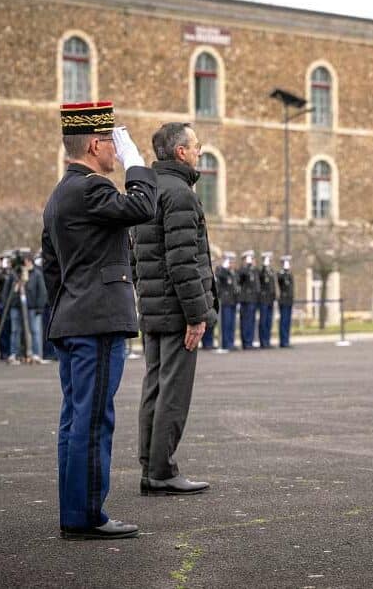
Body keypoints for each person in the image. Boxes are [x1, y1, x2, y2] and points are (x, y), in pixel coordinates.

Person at [41, 101, 156, 540]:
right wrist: (137, 163)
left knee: (76, 418)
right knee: (92, 420)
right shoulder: (91, 188)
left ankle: (77, 510)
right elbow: (143, 207)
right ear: (94, 143)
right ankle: (86, 515)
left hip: (73, 318)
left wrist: (67, 309)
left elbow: (52, 269)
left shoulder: (59, 194)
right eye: (112, 141)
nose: (116, 150)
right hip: (96, 321)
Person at [132, 122, 217, 498]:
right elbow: (185, 262)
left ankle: (150, 465)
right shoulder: (180, 194)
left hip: (153, 304)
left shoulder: (146, 190)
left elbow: (136, 255)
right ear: (180, 152)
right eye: (196, 146)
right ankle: (162, 469)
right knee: (173, 391)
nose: (200, 151)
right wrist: (197, 315)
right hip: (176, 309)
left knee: (154, 386)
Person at [3, 253, 48, 364]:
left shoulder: (37, 274)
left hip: (32, 307)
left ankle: (36, 354)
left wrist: (39, 307)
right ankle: (15, 354)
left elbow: (42, 292)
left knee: (35, 330)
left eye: (26, 261)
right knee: (15, 330)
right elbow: (6, 292)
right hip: (16, 306)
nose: (25, 264)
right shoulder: (14, 274)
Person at [215, 253, 238, 353]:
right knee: (226, 324)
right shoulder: (221, 270)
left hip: (233, 301)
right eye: (229, 261)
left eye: (232, 261)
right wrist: (224, 267)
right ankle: (225, 344)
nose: (231, 264)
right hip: (225, 302)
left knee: (232, 324)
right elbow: (221, 276)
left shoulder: (232, 273)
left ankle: (231, 343)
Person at [237, 250, 259, 349]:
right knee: (246, 321)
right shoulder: (242, 270)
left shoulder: (254, 271)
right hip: (246, 300)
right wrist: (247, 266)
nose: (252, 261)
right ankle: (246, 342)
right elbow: (241, 277)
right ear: (244, 260)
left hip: (253, 300)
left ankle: (250, 341)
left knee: (251, 321)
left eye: (252, 258)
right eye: (249, 259)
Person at [0, 253, 12, 362]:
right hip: (3, 302)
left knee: (12, 329)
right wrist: (4, 269)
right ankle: (3, 352)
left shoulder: (13, 272)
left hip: (12, 303)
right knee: (3, 328)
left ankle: (11, 351)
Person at [257, 251, 276, 349]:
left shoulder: (271, 271)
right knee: (263, 321)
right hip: (263, 299)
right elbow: (260, 278)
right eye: (268, 259)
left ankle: (267, 340)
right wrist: (264, 267)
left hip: (270, 299)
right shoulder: (262, 271)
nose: (270, 261)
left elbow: (273, 285)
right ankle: (263, 341)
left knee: (269, 321)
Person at [277, 255, 295, 348]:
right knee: (284, 321)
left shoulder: (289, 274)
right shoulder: (281, 274)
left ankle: (286, 340)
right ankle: (283, 341)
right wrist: (284, 271)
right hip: (283, 300)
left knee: (288, 321)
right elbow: (280, 280)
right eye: (286, 262)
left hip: (289, 300)